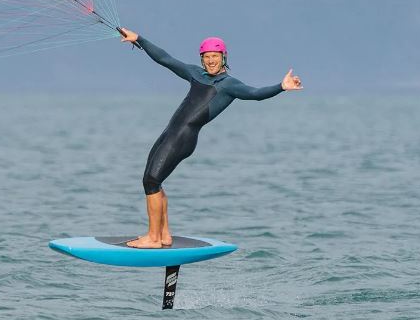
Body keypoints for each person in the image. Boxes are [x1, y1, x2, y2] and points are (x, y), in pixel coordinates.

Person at [120, 29, 302, 248]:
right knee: (154, 180)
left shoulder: (229, 85)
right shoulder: (196, 74)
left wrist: (281, 87)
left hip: (183, 138)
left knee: (151, 181)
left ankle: (153, 238)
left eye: (215, 56)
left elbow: (255, 94)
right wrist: (139, 39)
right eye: (206, 57)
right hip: (170, 133)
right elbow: (165, 59)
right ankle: (164, 235)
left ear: (224, 57)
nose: (211, 61)